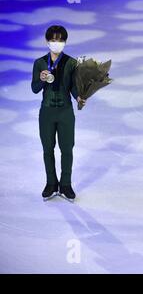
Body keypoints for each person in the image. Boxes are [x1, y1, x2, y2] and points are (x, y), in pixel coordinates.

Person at [31, 25, 86, 202]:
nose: (57, 43)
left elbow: (73, 88)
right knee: (48, 149)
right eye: (54, 40)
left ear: (65, 42)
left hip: (65, 113)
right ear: (47, 41)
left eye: (61, 40)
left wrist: (79, 98)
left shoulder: (71, 63)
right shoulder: (40, 63)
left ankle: (66, 184)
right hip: (46, 112)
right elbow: (34, 89)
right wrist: (40, 79)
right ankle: (51, 183)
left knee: (67, 149)